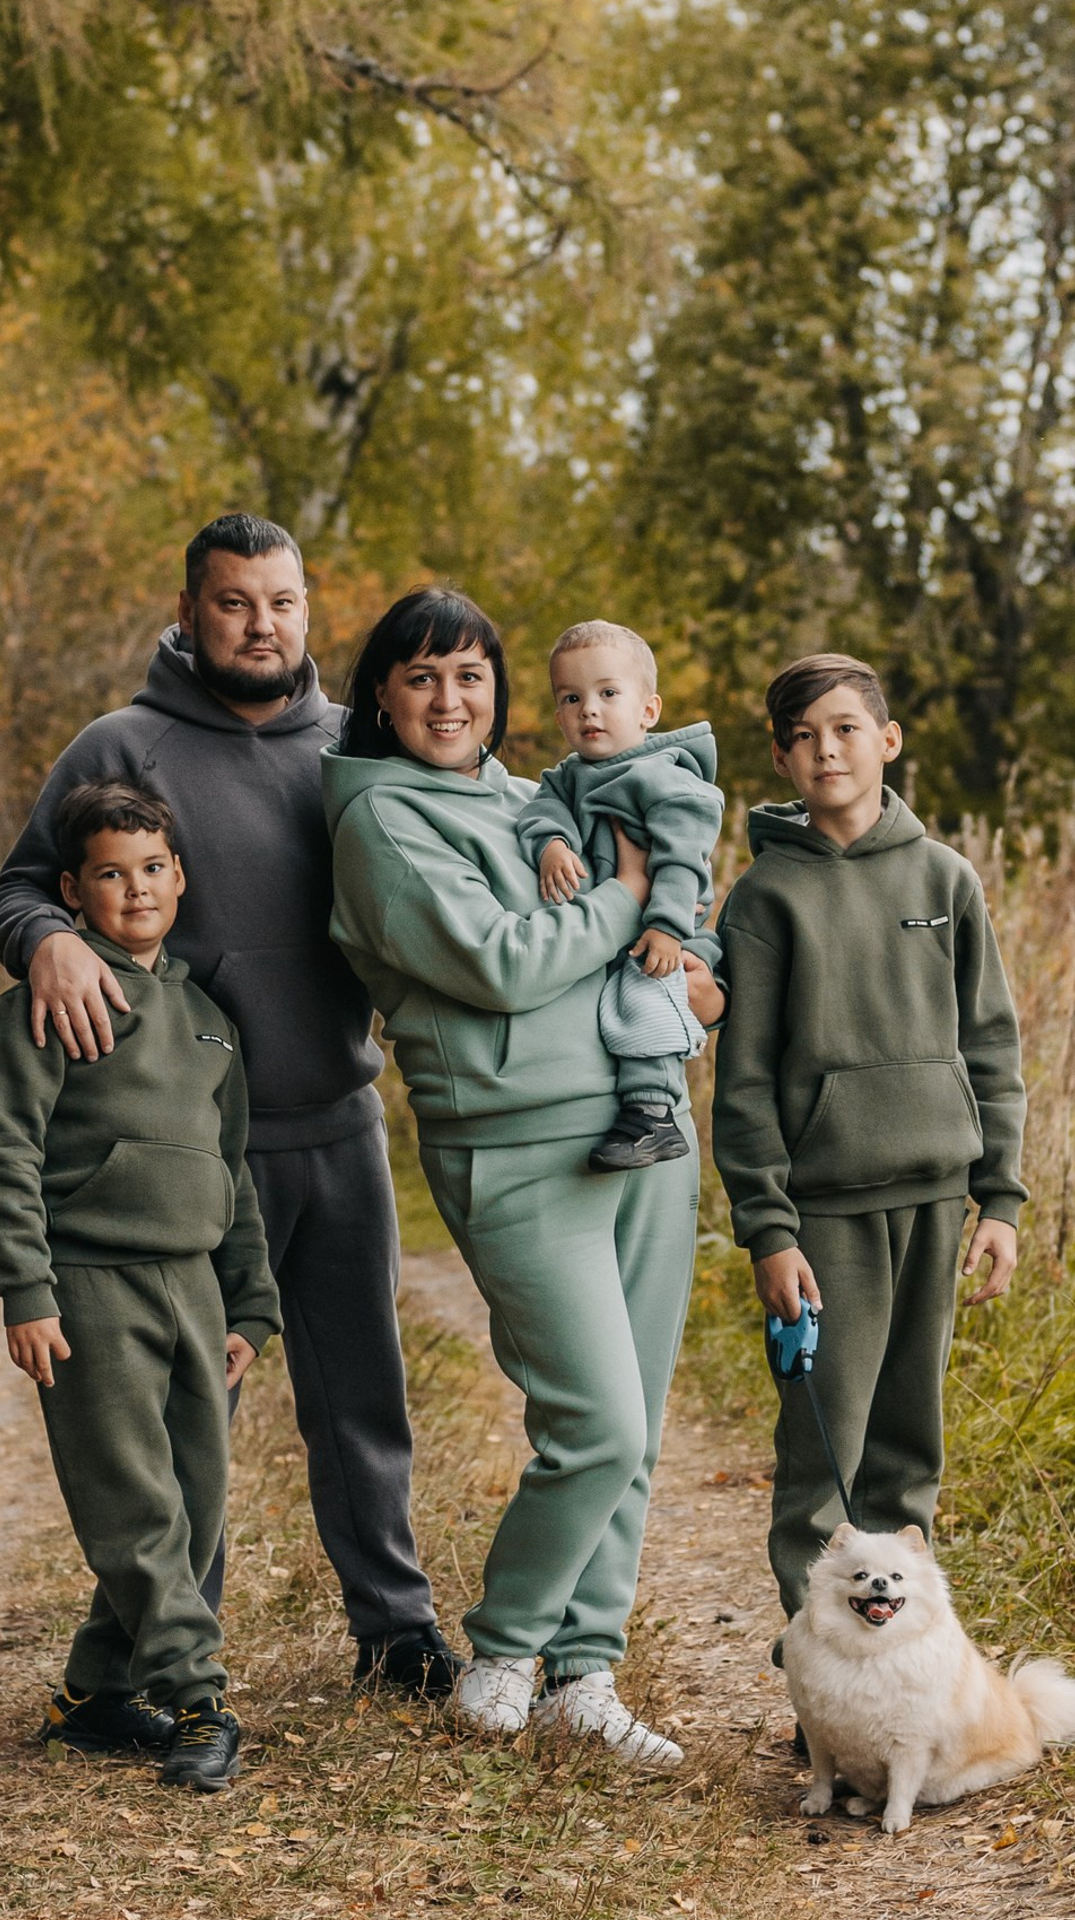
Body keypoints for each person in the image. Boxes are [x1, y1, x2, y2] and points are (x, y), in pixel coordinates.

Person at [0, 514, 456, 1698]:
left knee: (362, 1400)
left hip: (339, 1122)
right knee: (174, 1427)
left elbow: (481, 831)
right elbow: (19, 887)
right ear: (191, 611)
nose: (262, 625)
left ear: (312, 609)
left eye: (283, 603)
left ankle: (395, 1633)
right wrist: (44, 937)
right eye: (236, 603)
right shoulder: (124, 743)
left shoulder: (359, 744)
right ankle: (151, 1660)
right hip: (194, 1148)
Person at [321, 588, 725, 1771]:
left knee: (636, 1425)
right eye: (421, 678)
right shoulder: (379, 823)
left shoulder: (531, 793)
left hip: (643, 1131)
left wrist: (693, 961)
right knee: (591, 1421)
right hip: (513, 1141)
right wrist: (625, 894)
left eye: (470, 676)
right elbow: (500, 965)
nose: (450, 700)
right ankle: (505, 1647)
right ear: (382, 697)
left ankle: (582, 1679)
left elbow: (675, 903)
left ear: (497, 692)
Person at [0, 781, 281, 1791]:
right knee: (134, 1504)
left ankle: (101, 1694)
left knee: (194, 1507)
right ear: (72, 889)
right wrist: (28, 1290)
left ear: (181, 878)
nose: (136, 890)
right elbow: (9, 1156)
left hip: (193, 1286)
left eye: (153, 869)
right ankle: (197, 1699)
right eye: (111, 873)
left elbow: (230, 1170)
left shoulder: (206, 1019)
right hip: (91, 1284)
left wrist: (250, 1303)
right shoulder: (46, 1003)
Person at [712, 654, 1027, 1626]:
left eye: (845, 729)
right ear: (780, 756)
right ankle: (816, 1688)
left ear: (887, 741)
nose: (826, 751)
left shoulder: (945, 876)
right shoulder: (766, 900)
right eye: (803, 737)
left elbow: (990, 1041)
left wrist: (1001, 1199)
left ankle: (896, 1682)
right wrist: (769, 1229)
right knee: (825, 1465)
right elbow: (746, 1082)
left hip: (937, 1202)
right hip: (825, 1221)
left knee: (906, 1452)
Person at [516, 620, 724, 1172]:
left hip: (666, 930)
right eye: (572, 698)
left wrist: (666, 926)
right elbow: (541, 811)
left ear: (647, 710)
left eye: (608, 693)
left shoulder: (666, 777)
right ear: (558, 715)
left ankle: (652, 1113)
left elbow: (682, 858)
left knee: (647, 996)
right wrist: (553, 843)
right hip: (611, 928)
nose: (590, 709)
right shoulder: (567, 777)